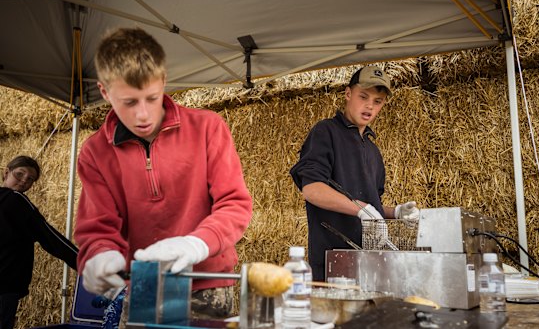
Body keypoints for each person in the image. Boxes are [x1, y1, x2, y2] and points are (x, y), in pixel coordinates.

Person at [74, 27, 253, 320]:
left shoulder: (208, 127)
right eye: (129, 102)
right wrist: (99, 255)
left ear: (164, 82)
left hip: (207, 284)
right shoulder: (95, 153)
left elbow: (235, 204)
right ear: (105, 92)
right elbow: (97, 228)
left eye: (152, 98)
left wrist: (198, 243)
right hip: (140, 289)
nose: (143, 115)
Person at [290, 65, 420, 281]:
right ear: (348, 94)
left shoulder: (373, 150)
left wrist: (394, 212)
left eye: (377, 101)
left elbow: (372, 207)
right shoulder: (326, 132)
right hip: (333, 265)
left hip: (372, 264)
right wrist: (361, 209)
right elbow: (312, 189)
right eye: (363, 96)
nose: (369, 105)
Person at [0, 155, 78, 329]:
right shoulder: (17, 199)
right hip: (4, 285)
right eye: (19, 174)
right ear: (6, 173)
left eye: (30, 179)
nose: (23, 181)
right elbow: (49, 236)